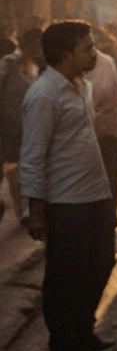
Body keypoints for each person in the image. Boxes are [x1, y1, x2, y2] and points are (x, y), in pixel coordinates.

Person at [20, 21, 117, 351]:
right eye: (87, 48)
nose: (94, 53)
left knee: (101, 262)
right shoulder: (44, 95)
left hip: (95, 195)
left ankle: (82, 333)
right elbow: (32, 156)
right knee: (65, 278)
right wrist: (36, 211)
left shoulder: (80, 87)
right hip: (66, 202)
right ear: (66, 55)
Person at [0, 28, 45, 218]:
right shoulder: (8, 64)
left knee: (29, 172)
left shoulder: (42, 67)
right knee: (13, 171)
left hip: (31, 130)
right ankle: (22, 213)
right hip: (8, 131)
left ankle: (28, 212)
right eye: (33, 45)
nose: (36, 49)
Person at [85, 43, 117, 206]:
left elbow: (115, 97)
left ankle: (109, 219)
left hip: (105, 135)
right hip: (82, 140)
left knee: (108, 179)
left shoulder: (106, 63)